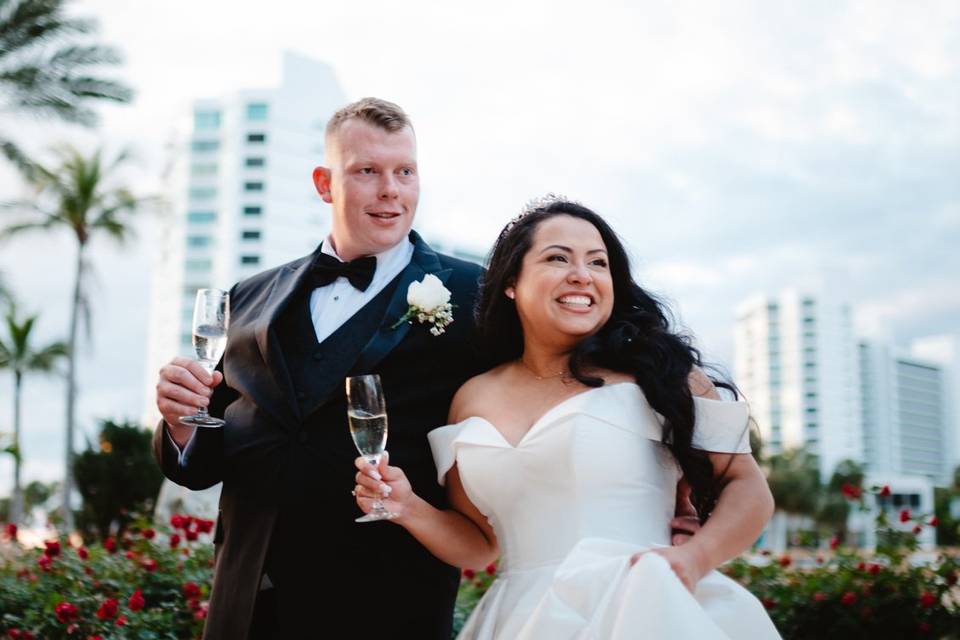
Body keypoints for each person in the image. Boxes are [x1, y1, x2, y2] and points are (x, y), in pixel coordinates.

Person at [353, 197, 781, 638]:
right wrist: (407, 507)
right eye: (558, 258)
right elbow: (480, 545)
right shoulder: (471, 397)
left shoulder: (663, 375)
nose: (582, 274)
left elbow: (747, 487)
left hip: (640, 602)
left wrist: (695, 559)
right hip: (519, 619)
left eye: (598, 263)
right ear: (511, 283)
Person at [153, 98, 489, 639]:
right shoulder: (249, 297)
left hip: (388, 606)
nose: (391, 191)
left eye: (405, 171)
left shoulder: (475, 295)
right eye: (367, 172)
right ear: (324, 183)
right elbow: (204, 462)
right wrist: (180, 422)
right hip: (247, 606)